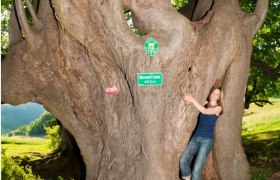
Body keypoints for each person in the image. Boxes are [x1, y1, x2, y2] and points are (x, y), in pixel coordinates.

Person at [180, 87, 224, 180]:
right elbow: (193, 101)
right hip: (196, 137)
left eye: (217, 94)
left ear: (219, 97)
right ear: (210, 93)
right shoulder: (205, 103)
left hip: (207, 141)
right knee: (183, 160)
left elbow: (204, 111)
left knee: (196, 170)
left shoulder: (218, 108)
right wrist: (187, 97)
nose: (214, 95)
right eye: (213, 92)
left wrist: (192, 100)